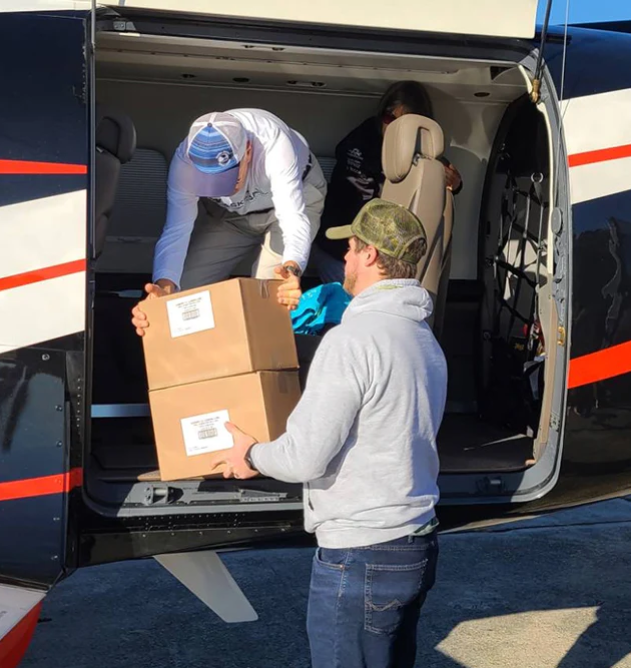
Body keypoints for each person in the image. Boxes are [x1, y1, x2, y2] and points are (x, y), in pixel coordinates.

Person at [215, 198, 448, 668]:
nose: (343, 256)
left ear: (370, 256)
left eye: (352, 247)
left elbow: (304, 456)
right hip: (414, 545)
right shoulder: (423, 337)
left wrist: (252, 454)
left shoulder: (351, 340)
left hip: (361, 553)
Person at [131, 109, 327, 335]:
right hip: (233, 216)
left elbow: (292, 217)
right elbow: (177, 230)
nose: (222, 189)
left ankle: (260, 366)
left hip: (292, 202)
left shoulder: (273, 142)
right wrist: (164, 289)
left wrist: (292, 269)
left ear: (248, 151)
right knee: (180, 296)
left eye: (228, 176)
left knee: (268, 298)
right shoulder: (183, 162)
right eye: (208, 181)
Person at [312, 81, 462, 283]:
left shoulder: (426, 158)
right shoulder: (358, 147)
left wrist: (455, 183)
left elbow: (447, 180)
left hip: (384, 258)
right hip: (338, 249)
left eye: (404, 122)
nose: (393, 127)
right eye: (389, 117)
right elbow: (358, 202)